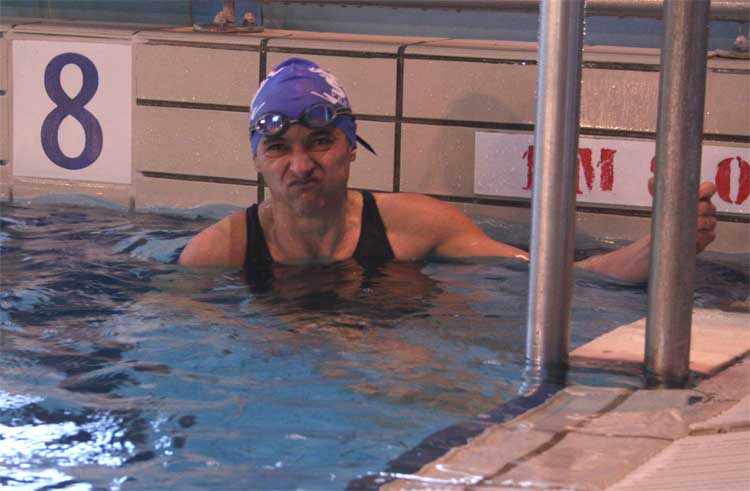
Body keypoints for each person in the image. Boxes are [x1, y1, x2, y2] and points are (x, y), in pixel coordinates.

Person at [179, 57, 717, 282]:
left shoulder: (418, 225)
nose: (301, 165)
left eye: (320, 142)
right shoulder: (216, 253)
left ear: (351, 146)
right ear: (257, 160)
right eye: (279, 148)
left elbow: (551, 282)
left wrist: (660, 247)